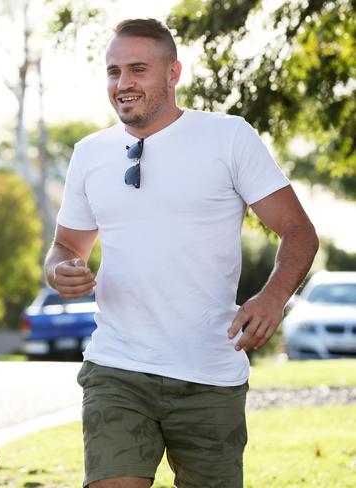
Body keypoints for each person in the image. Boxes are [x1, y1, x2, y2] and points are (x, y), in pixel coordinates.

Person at [44, 18, 318, 488]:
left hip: (209, 372)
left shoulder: (228, 137)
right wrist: (60, 269)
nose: (123, 83)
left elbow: (298, 232)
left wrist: (271, 299)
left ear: (173, 74)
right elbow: (67, 245)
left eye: (137, 69)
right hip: (117, 368)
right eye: (113, 72)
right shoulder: (90, 153)